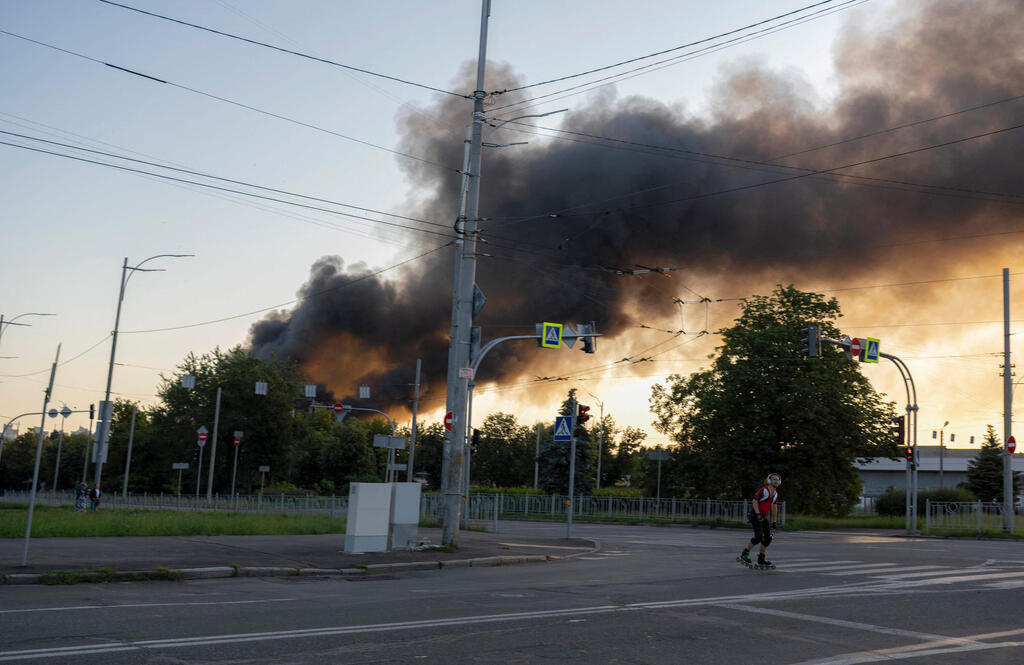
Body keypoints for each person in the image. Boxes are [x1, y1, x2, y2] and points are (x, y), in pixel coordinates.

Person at [739, 472, 781, 568]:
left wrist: (774, 521)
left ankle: (761, 558)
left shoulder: (775, 494)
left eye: (777, 480)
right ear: (769, 481)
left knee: (768, 538)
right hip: (755, 514)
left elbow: (774, 508)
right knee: (758, 537)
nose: (776, 481)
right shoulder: (764, 490)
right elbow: (754, 501)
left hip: (763, 517)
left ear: (779, 482)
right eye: (774, 479)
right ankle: (744, 554)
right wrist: (758, 514)